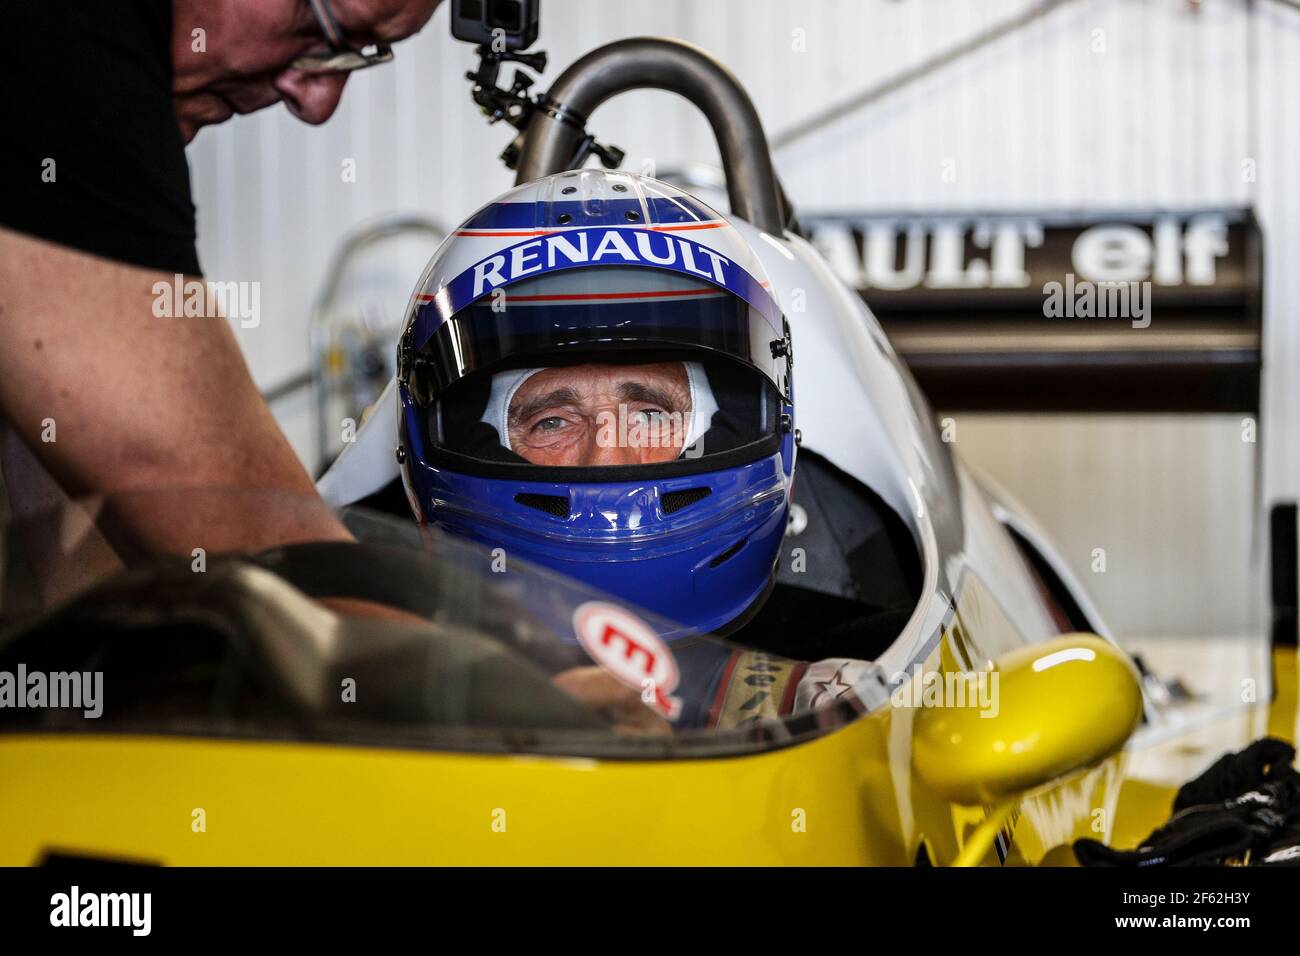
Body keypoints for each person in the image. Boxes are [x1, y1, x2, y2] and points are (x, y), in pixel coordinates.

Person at [0, 0, 441, 559]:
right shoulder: (57, 40)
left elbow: (74, 506)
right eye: (321, 29)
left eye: (362, 54)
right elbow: (225, 506)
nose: (317, 101)